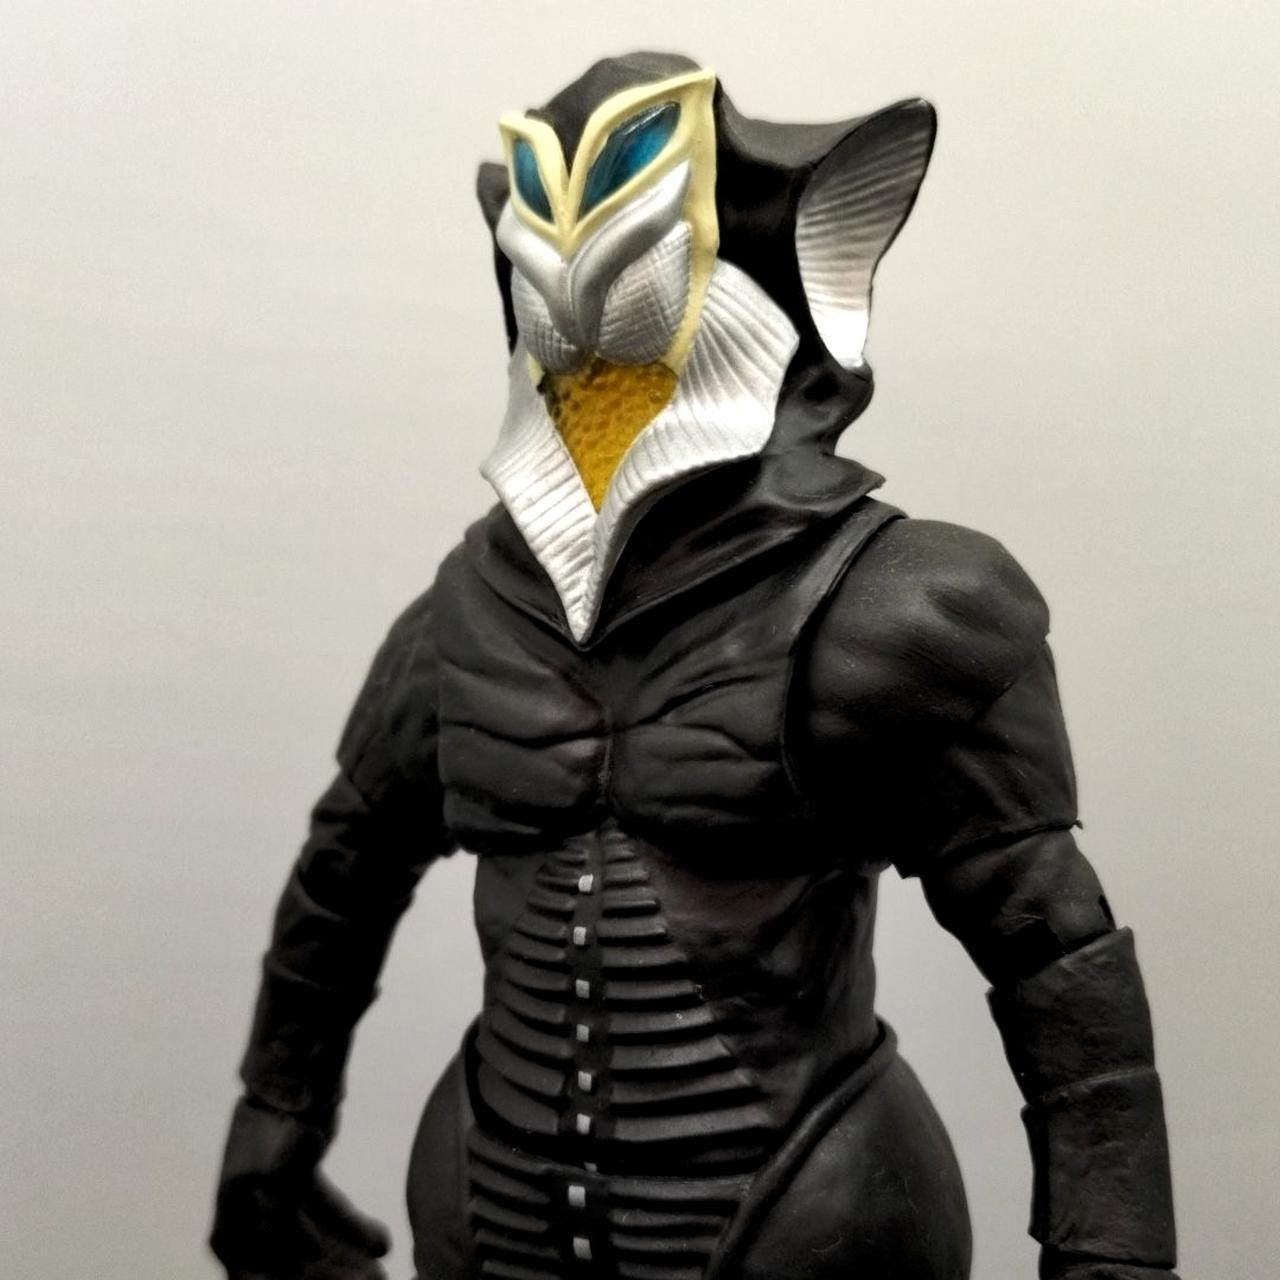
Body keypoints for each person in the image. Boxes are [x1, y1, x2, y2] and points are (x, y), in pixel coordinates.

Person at [211, 52, 1179, 1280]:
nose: (586, 353)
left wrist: (1111, 1250)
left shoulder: (896, 607)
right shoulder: (466, 614)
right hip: (487, 1203)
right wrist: (275, 1119)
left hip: (808, 1222)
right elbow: (347, 863)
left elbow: (1048, 945)